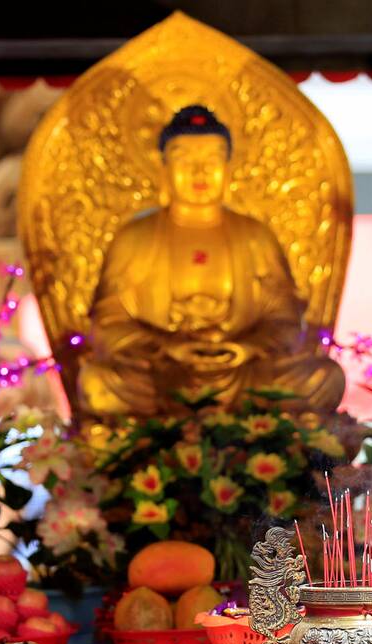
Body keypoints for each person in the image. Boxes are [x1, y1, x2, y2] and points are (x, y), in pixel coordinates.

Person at [78, 105, 344, 417]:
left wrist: (246, 348)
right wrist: (166, 348)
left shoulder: (254, 236)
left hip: (244, 374)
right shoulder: (135, 237)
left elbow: (284, 320)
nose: (199, 171)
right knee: (97, 384)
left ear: (229, 167)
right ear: (163, 168)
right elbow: (107, 324)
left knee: (323, 377)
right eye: (185, 159)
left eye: (211, 159)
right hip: (161, 375)